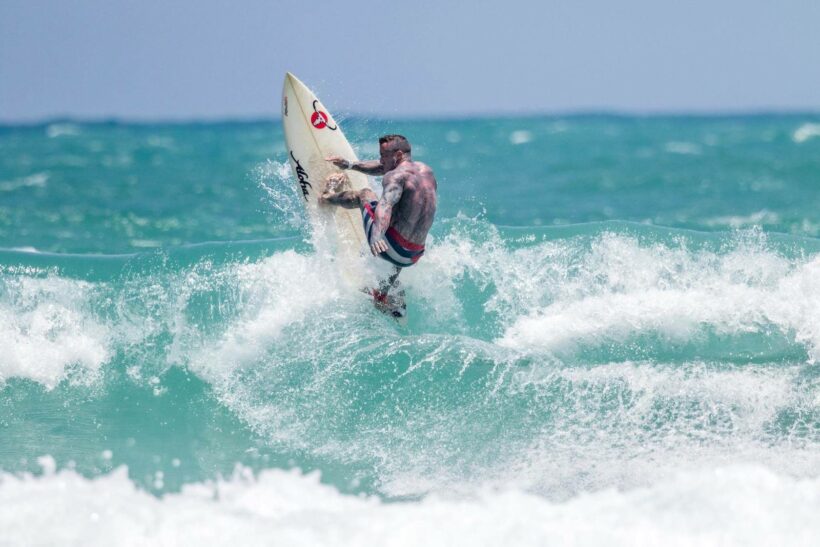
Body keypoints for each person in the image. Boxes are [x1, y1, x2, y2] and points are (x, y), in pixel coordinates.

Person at [321, 135, 437, 285]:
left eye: (383, 156)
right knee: (405, 219)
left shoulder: (395, 176)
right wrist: (349, 164)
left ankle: (327, 197)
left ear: (399, 155)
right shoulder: (427, 172)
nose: (381, 160)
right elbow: (384, 167)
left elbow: (385, 205)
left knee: (365, 194)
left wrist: (377, 235)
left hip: (392, 249)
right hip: (413, 255)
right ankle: (383, 293)